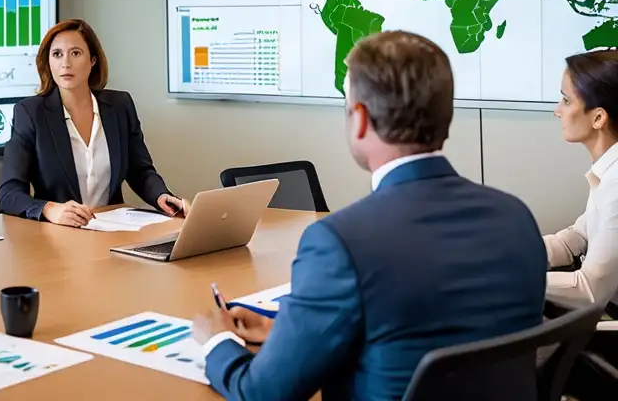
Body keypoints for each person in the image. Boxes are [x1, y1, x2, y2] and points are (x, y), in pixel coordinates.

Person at [192, 31, 547, 401]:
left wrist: (217, 340)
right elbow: (431, 322)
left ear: (359, 118)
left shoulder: (340, 242)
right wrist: (293, 331)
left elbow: (261, 394)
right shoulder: (515, 216)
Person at [0, 19, 184, 225]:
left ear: (93, 60)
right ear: (48, 61)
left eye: (75, 53)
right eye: (57, 54)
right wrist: (50, 209)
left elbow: (140, 170)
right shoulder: (30, 112)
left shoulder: (120, 106)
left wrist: (161, 196)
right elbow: (9, 194)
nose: (65, 63)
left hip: (112, 229)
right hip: (57, 235)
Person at [543, 49, 618, 312]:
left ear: (598, 117)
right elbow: (576, 238)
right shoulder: (607, 169)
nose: (557, 111)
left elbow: (590, 290)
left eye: (566, 101)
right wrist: (518, 251)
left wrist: (515, 280)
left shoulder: (616, 184)